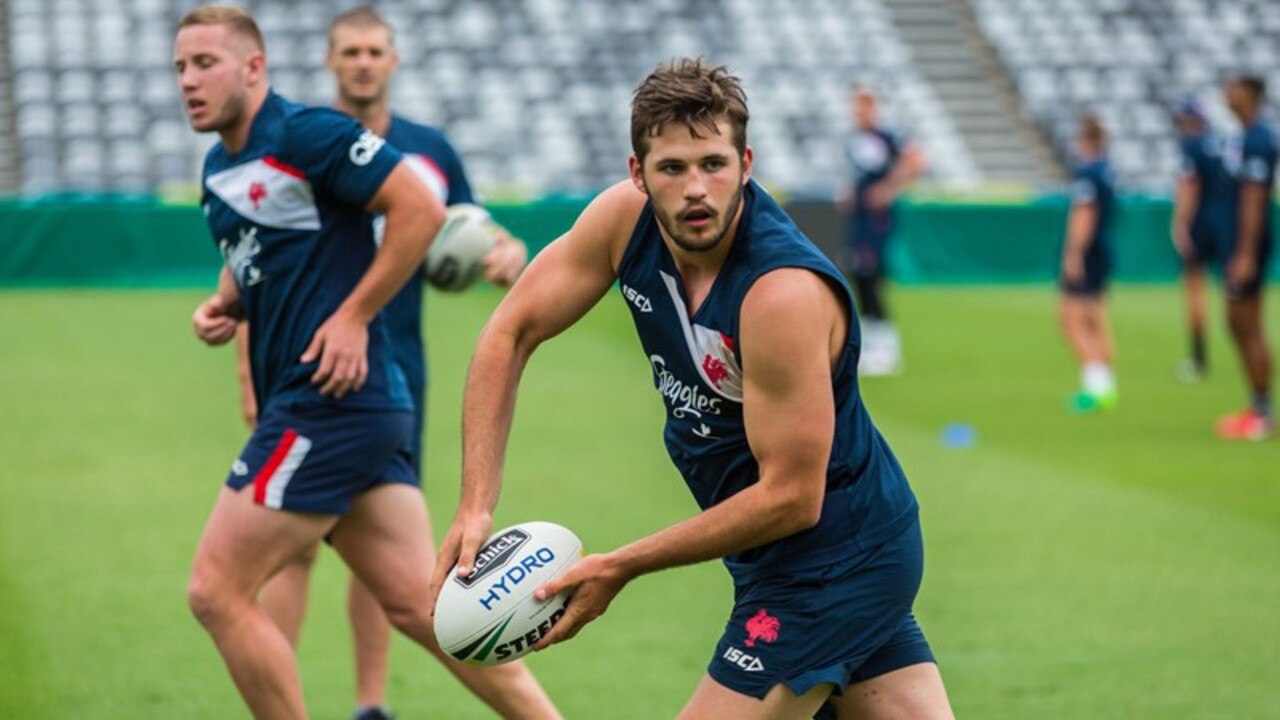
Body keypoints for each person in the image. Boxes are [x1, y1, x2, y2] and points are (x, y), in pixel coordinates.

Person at [429, 59, 954, 720]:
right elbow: (508, 333)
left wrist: (621, 564)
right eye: (673, 168)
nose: (696, 189)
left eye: (714, 163)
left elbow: (792, 497)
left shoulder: (780, 294)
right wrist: (475, 505)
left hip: (833, 561)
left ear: (746, 163)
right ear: (637, 174)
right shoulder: (624, 224)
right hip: (790, 559)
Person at [173, 7, 559, 719]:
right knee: (424, 611)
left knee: (216, 590)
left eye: (205, 64)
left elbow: (419, 207)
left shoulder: (309, 133)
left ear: (254, 68)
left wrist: (351, 317)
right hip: (359, 408)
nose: (188, 82)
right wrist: (224, 302)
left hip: (329, 401)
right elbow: (255, 253)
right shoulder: (220, 166)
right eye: (181, 68)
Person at [838, 87, 924, 376]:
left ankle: (888, 348)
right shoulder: (855, 139)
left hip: (876, 221)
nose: (858, 113)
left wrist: (889, 189)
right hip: (859, 218)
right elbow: (858, 173)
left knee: (872, 278)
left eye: (863, 107)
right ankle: (872, 345)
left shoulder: (886, 137)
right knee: (860, 279)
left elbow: (915, 159)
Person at [1217, 75, 1275, 441]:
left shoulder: (1258, 140)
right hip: (1238, 245)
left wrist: (1245, 254)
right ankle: (1256, 406)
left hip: (1247, 247)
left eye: (1234, 88)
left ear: (1251, 95)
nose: (1227, 94)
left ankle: (1262, 412)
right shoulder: (1244, 137)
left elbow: (1254, 201)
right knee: (1236, 324)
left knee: (1248, 325)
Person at [1059, 115, 1118, 412]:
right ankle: (1106, 384)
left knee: (1070, 319)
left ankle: (1096, 386)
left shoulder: (1087, 173)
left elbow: (1085, 214)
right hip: (1103, 249)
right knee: (1096, 316)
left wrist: (1073, 253)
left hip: (1088, 251)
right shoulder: (1106, 171)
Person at [1171, 98, 1232, 382]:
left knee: (1195, 290)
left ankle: (1198, 359)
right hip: (1228, 222)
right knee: (1236, 291)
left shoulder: (1191, 147)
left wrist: (1180, 223)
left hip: (1202, 224)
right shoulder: (1223, 146)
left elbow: (1189, 187)